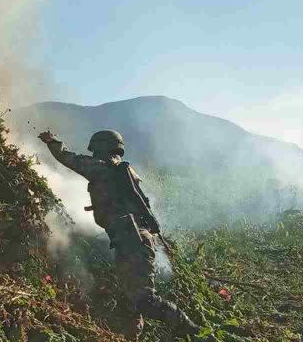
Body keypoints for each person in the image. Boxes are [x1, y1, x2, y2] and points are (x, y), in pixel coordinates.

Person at [38, 129, 199, 339]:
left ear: (101, 148)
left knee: (144, 300)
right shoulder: (126, 171)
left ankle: (195, 332)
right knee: (131, 301)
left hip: (132, 239)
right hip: (130, 239)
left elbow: (70, 159)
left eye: (96, 149)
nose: (94, 154)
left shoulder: (102, 167)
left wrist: (52, 141)